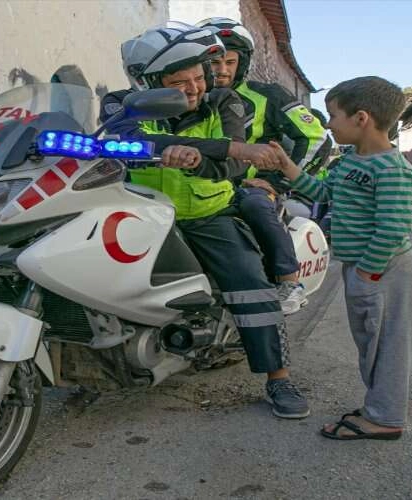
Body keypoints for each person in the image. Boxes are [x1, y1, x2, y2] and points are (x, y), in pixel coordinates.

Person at [100, 24, 309, 419]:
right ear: (149, 84)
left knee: (249, 282)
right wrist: (216, 149)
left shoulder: (224, 101)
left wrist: (200, 161)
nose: (194, 88)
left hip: (207, 214)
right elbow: (122, 140)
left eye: (198, 77)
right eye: (179, 83)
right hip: (139, 212)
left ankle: (278, 377)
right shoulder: (120, 103)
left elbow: (233, 165)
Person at [259, 76, 412, 439]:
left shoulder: (390, 169)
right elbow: (322, 193)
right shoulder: (350, 161)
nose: (328, 125)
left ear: (361, 118)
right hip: (365, 267)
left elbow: (392, 230)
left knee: (387, 345)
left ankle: (385, 419)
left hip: (383, 268)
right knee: (370, 343)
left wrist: (366, 274)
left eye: (333, 115)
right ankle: (379, 407)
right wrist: (287, 166)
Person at [197, 17, 331, 315]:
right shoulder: (191, 97)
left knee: (256, 204)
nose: (221, 70)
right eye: (214, 62)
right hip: (197, 187)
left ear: (242, 63)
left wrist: (277, 182)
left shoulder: (268, 95)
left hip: (251, 188)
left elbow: (317, 138)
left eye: (230, 62)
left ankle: (289, 282)